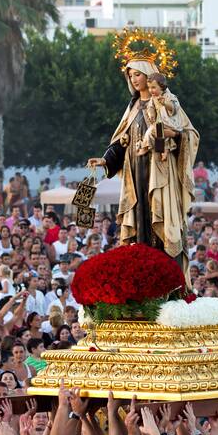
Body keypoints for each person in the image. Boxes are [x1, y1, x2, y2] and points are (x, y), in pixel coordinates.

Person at [87, 43, 199, 283]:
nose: (134, 79)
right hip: (135, 173)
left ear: (149, 75)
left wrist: (171, 135)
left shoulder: (166, 102)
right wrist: (105, 159)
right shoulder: (132, 106)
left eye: (137, 74)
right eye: (130, 75)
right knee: (139, 221)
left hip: (160, 173)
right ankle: (142, 274)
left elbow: (188, 134)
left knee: (160, 218)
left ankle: (166, 277)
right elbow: (121, 141)